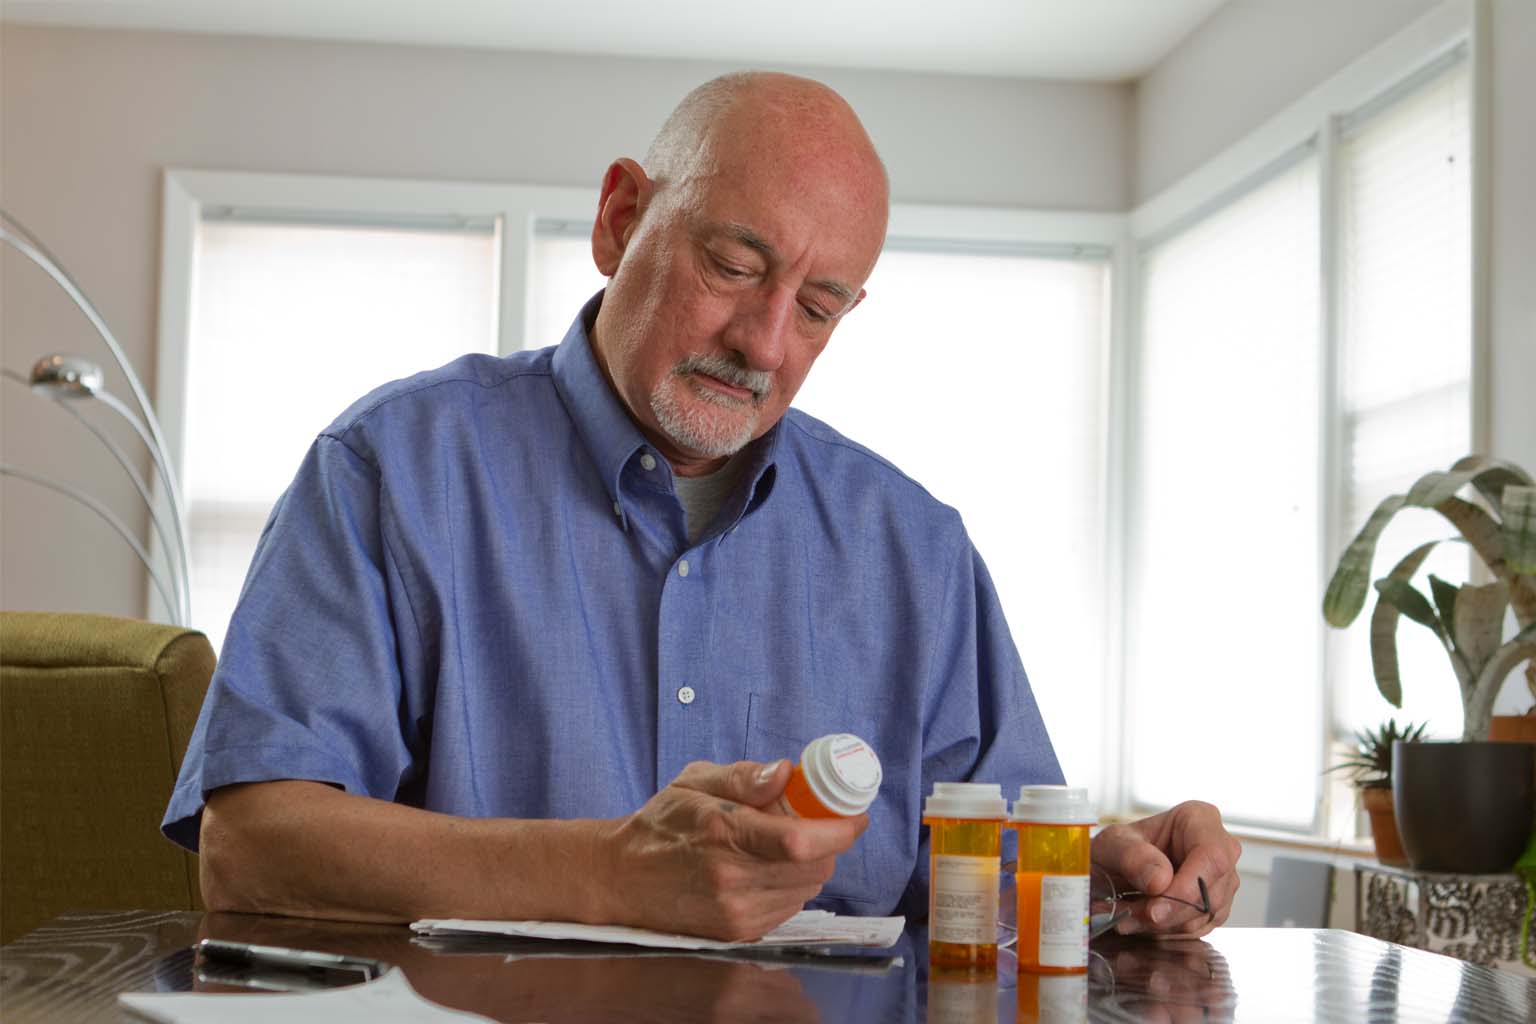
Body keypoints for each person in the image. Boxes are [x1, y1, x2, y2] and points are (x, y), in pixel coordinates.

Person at [165, 71, 1240, 941]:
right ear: (621, 217)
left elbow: (987, 875)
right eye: (734, 266)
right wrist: (610, 873)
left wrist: (1102, 871)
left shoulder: (916, 550)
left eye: (819, 309)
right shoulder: (390, 471)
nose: (765, 343)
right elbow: (252, 846)